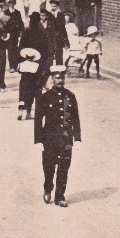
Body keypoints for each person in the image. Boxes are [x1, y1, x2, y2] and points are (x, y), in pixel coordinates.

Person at [34, 65, 82, 207]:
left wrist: (77, 138)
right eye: (57, 77)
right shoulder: (45, 97)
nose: (60, 80)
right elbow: (38, 120)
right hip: (49, 139)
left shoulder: (70, 96)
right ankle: (48, 187)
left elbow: (75, 119)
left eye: (62, 77)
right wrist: (38, 140)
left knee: (64, 167)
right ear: (52, 79)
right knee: (49, 168)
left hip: (66, 138)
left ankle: (60, 196)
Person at [16, 48, 41, 121]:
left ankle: (20, 110)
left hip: (23, 83)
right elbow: (38, 74)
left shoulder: (22, 64)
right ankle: (27, 112)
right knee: (29, 98)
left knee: (22, 97)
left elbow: (19, 71)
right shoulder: (36, 65)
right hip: (32, 83)